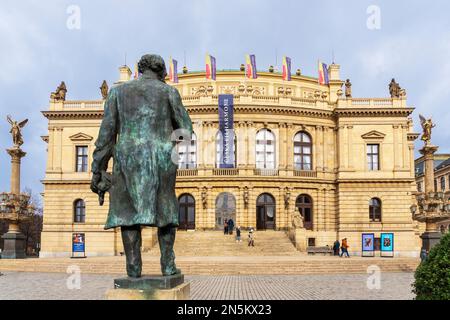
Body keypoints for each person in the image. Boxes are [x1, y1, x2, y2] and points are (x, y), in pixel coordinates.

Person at [91, 54, 193, 278]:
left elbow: (106, 136)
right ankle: (167, 265)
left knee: (128, 213)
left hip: (127, 158)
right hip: (162, 158)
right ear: (162, 71)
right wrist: (169, 145)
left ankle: (133, 267)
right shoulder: (169, 92)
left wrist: (97, 169)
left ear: (140, 69)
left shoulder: (117, 92)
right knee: (165, 208)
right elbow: (186, 130)